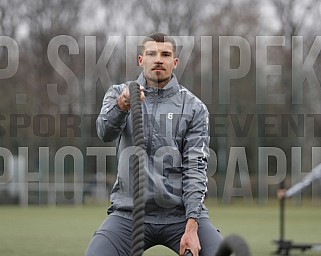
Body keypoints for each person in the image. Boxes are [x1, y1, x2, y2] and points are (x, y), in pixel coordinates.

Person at [85, 32, 223, 256]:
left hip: (179, 215)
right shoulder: (119, 94)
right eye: (151, 53)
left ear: (174, 62)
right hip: (128, 213)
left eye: (166, 54)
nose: (158, 59)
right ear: (141, 60)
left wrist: (192, 225)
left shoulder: (194, 107)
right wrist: (122, 106)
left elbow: (196, 169)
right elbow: (104, 132)